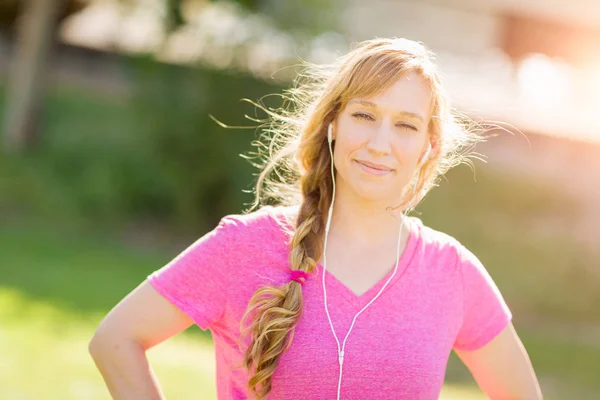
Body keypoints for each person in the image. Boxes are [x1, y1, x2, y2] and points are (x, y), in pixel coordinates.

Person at [88, 37, 543, 400]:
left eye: (406, 125)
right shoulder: (244, 245)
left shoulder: (452, 272)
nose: (381, 143)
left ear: (427, 145)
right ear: (333, 125)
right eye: (365, 115)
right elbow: (116, 341)